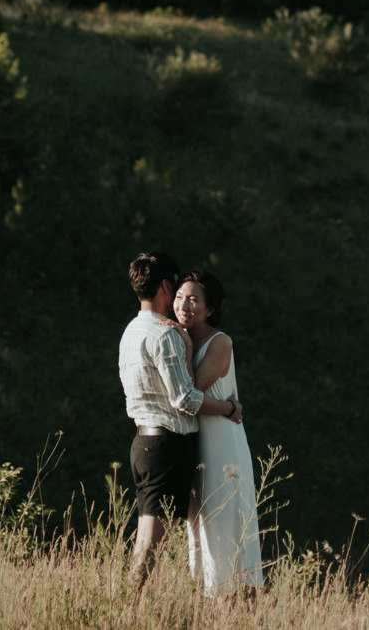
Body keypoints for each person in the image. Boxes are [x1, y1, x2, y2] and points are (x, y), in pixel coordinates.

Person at [119, 252, 243, 588]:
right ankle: (128, 607)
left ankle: (131, 605)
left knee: (153, 537)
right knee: (152, 541)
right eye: (175, 290)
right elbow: (185, 398)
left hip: (143, 441)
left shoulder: (131, 331)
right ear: (164, 286)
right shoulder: (166, 335)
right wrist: (229, 409)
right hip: (167, 444)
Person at [174, 270, 263, 596]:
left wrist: (183, 343)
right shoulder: (176, 336)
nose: (185, 304)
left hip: (223, 447)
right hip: (195, 446)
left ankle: (239, 604)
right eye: (180, 297)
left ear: (210, 309)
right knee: (199, 529)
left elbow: (191, 392)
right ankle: (206, 603)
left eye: (194, 299)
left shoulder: (220, 342)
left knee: (226, 525)